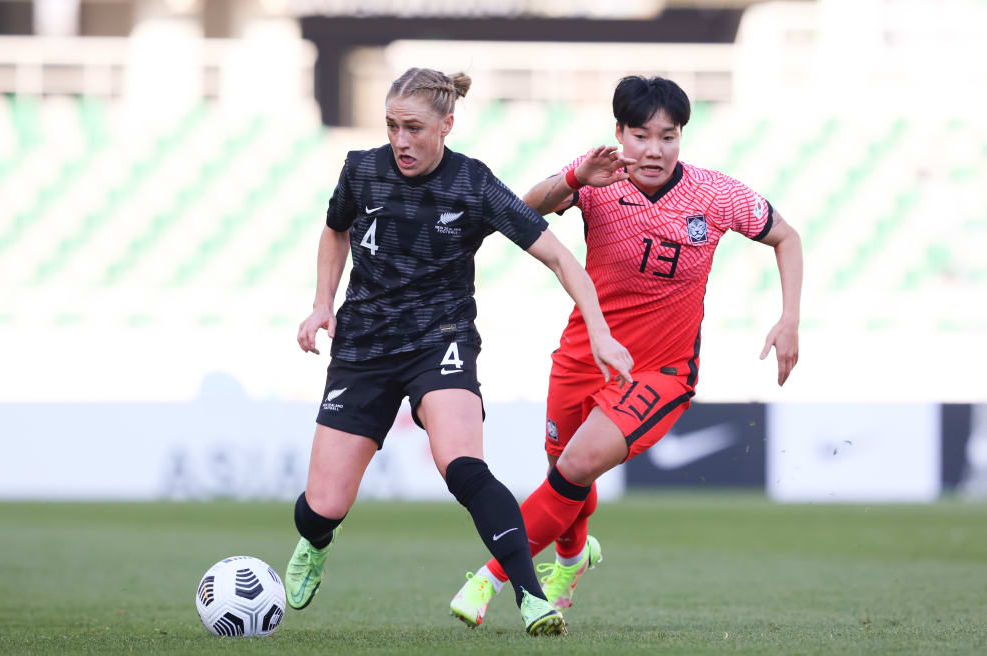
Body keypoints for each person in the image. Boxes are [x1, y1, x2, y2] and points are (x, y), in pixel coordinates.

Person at [289, 67, 635, 637]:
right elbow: (335, 230)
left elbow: (561, 258)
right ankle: (317, 541)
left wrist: (598, 328)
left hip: (440, 340)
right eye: (393, 126)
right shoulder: (360, 170)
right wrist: (322, 302)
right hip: (365, 347)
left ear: (447, 125)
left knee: (464, 467)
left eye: (415, 128)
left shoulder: (472, 184)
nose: (401, 140)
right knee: (321, 506)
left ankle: (531, 598)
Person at [449, 75, 803, 626]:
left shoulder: (716, 194)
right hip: (581, 354)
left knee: (575, 465)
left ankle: (490, 579)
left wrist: (790, 317)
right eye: (641, 135)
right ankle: (570, 560)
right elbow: (513, 212)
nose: (655, 150)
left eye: (669, 136)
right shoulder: (596, 180)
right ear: (620, 133)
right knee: (564, 475)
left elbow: (788, 237)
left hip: (658, 372)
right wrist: (573, 176)